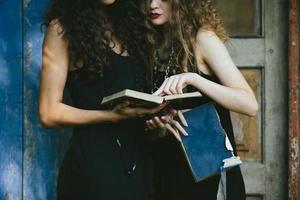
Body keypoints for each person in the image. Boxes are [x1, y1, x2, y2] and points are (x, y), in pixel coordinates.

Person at [39, 0, 167, 199]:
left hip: (138, 160)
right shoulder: (62, 28)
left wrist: (156, 117)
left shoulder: (133, 25)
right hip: (94, 163)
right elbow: (48, 113)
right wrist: (110, 116)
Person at [143, 0, 259, 200]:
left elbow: (249, 104)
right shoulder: (153, 44)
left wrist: (194, 78)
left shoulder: (203, 39)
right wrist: (157, 122)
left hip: (207, 170)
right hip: (164, 170)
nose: (152, 4)